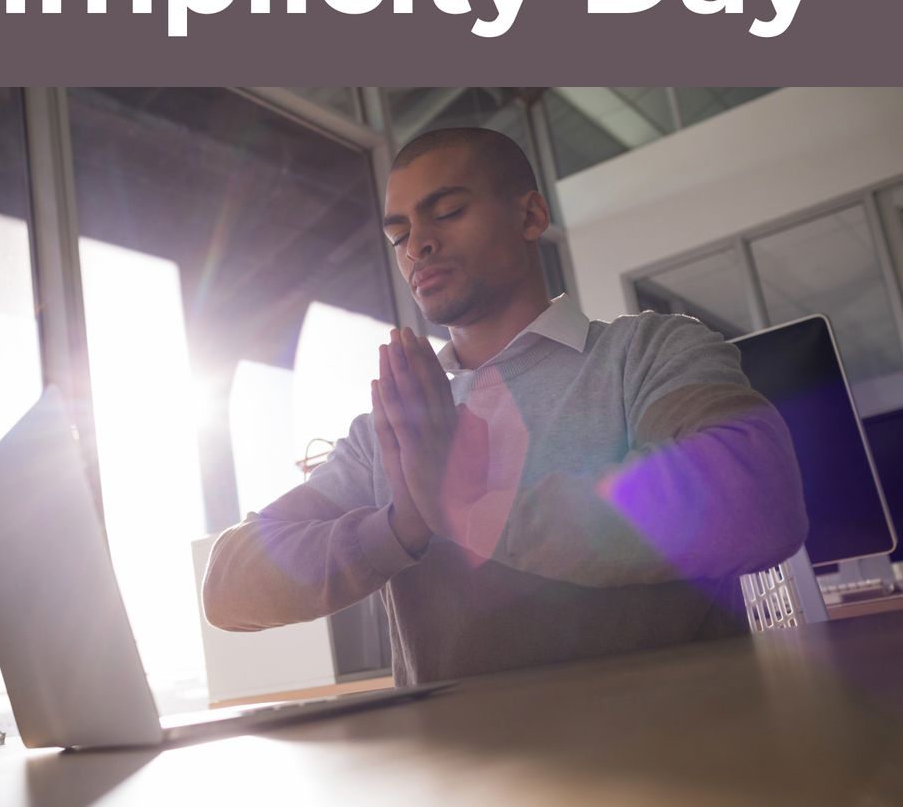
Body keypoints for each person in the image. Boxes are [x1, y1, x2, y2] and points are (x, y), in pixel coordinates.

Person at [202, 127, 808, 685]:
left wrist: (469, 508)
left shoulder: (647, 351)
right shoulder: (395, 421)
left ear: (531, 214)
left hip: (686, 767)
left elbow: (756, 497)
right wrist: (402, 526)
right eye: (399, 234)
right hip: (463, 782)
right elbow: (229, 585)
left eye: (447, 212)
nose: (419, 245)